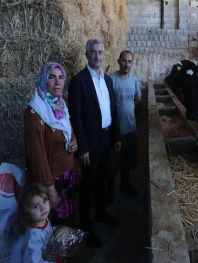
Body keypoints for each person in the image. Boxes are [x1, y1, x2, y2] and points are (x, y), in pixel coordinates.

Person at [68, 38, 121, 248]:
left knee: (103, 177)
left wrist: (116, 136)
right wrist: (82, 147)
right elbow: (76, 116)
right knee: (89, 182)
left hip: (106, 137)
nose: (97, 56)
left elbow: (112, 110)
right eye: (93, 52)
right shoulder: (79, 81)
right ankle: (85, 225)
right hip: (90, 141)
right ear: (87, 55)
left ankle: (100, 214)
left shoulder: (107, 80)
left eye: (100, 52)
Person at [24, 62, 77, 227]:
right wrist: (49, 187)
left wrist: (74, 139)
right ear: (43, 81)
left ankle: (67, 251)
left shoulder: (60, 105)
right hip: (52, 180)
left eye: (61, 78)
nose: (58, 82)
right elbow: (37, 156)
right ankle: (57, 253)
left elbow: (67, 130)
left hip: (68, 175)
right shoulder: (35, 113)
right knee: (55, 224)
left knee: (69, 219)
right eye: (52, 77)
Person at [107, 50, 141, 203]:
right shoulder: (111, 80)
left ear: (132, 63)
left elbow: (138, 100)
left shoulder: (133, 80)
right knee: (113, 163)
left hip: (131, 129)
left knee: (127, 161)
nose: (127, 64)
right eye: (124, 61)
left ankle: (125, 186)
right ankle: (109, 192)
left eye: (129, 62)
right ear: (118, 61)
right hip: (116, 131)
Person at [18, 183, 62, 263]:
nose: (43, 208)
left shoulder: (43, 220)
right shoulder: (33, 238)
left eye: (44, 201)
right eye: (36, 206)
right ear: (27, 212)